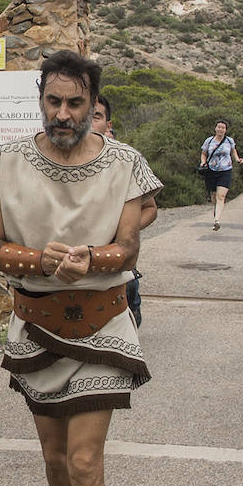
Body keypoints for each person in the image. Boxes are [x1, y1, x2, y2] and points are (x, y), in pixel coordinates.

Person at [0, 51, 161, 486]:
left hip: (104, 324)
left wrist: (91, 258)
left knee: (85, 462)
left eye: (75, 103)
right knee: (55, 462)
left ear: (92, 104)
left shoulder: (125, 164)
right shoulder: (6, 163)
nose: (63, 113)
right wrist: (39, 261)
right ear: (41, 100)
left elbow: (129, 248)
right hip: (35, 326)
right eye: (53, 102)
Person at [92, 95, 158, 327]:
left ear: (108, 124)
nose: (90, 123)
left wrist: (122, 229)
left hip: (119, 270)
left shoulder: (125, 160)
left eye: (96, 116)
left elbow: (150, 209)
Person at [200, 120, 243, 230]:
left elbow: (233, 151)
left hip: (225, 171)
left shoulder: (229, 141)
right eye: (219, 127)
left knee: (221, 196)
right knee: (214, 196)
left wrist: (237, 159)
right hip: (211, 171)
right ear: (215, 128)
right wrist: (203, 162)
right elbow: (204, 154)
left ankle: (217, 221)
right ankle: (216, 211)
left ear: (226, 130)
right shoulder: (209, 141)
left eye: (223, 128)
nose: (220, 129)